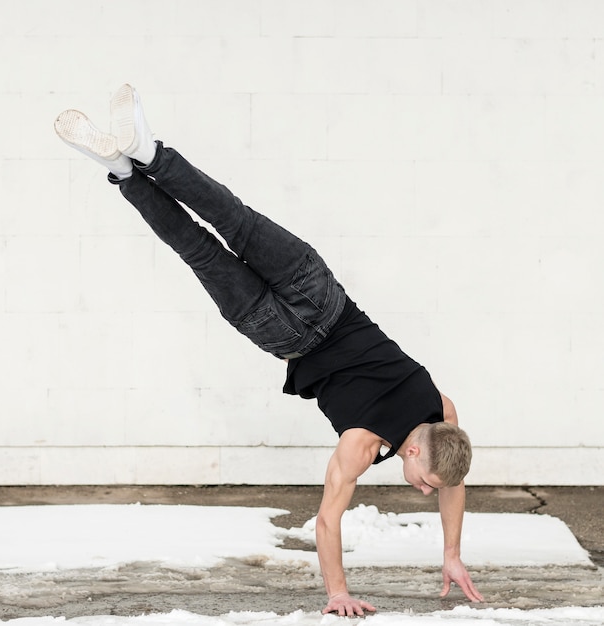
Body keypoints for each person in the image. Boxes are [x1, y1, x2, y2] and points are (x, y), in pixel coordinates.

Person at [54, 84, 484, 616]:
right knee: (198, 247)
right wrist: (338, 593)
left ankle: (144, 155)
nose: (424, 492)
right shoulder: (362, 445)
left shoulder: (444, 414)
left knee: (234, 218)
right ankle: (124, 169)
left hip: (320, 295)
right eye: (423, 483)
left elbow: (452, 482)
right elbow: (328, 521)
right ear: (415, 452)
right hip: (282, 333)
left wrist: (452, 554)